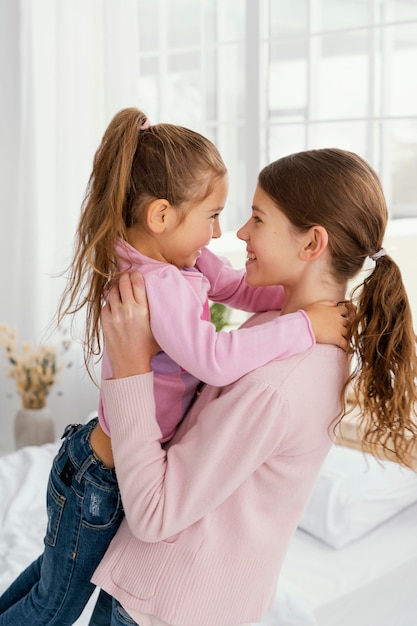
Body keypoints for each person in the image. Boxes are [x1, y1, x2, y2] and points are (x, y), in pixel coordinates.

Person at [0, 110, 347, 626]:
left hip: (106, 470)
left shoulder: (175, 260)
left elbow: (237, 287)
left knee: (48, 583)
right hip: (102, 480)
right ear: (161, 216)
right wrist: (302, 327)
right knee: (54, 607)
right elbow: (214, 358)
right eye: (213, 215)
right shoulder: (158, 285)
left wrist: (303, 300)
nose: (222, 230)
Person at [93, 148, 417, 626]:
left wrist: (129, 369)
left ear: (311, 244)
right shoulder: (288, 324)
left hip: (155, 607)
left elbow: (155, 514)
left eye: (257, 218)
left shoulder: (278, 386)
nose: (240, 233)